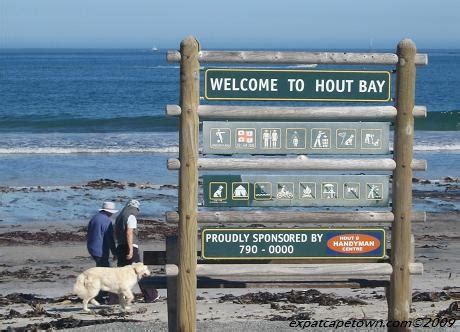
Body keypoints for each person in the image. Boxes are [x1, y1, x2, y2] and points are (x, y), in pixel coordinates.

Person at [115, 199, 158, 302]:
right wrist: (130, 250)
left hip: (120, 246)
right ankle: (151, 295)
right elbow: (129, 233)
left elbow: (116, 233)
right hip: (130, 246)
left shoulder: (119, 217)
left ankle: (117, 298)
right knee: (140, 271)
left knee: (121, 274)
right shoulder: (131, 216)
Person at [86, 201, 118, 303]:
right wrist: (114, 252)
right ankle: (100, 296)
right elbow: (110, 239)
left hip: (92, 247)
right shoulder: (106, 221)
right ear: (110, 211)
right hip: (100, 249)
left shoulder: (95, 218)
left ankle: (101, 294)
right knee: (105, 273)